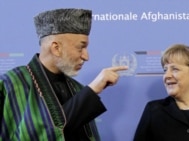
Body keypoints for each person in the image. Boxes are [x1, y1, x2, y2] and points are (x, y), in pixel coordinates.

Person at [0, 8, 128, 141]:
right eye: (81, 47)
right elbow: (39, 133)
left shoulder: (76, 87)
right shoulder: (12, 84)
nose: (86, 56)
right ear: (56, 48)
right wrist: (91, 91)